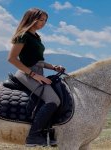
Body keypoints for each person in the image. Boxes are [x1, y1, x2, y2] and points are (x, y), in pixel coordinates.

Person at [8, 8, 65, 147]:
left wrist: (53, 67)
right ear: (31, 19)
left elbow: (38, 61)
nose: (43, 23)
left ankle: (47, 131)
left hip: (38, 72)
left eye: (45, 20)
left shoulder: (36, 37)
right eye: (41, 20)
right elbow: (12, 59)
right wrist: (34, 75)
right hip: (26, 74)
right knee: (53, 100)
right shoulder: (23, 35)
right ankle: (33, 136)